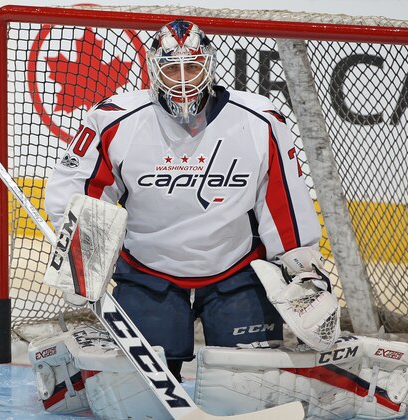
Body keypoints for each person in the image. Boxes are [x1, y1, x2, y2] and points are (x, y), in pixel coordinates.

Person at [44, 19, 327, 383]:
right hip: (148, 269)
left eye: (191, 66)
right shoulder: (115, 119)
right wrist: (80, 250)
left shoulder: (260, 120)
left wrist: (301, 264)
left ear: (208, 65)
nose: (182, 78)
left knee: (246, 387)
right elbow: (78, 185)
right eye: (170, 66)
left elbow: (282, 197)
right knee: (145, 388)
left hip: (236, 268)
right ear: (152, 68)